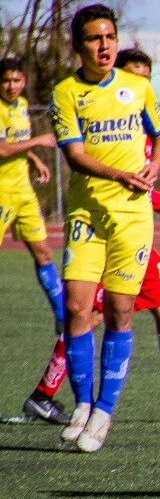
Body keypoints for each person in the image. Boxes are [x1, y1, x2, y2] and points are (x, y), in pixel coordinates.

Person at [24, 48, 160, 427]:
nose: (138, 85)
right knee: (90, 315)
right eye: (133, 76)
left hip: (137, 236)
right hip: (106, 232)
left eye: (145, 78)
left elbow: (144, 179)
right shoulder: (103, 124)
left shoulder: (142, 125)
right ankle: (45, 394)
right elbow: (123, 185)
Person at [50, 5, 160, 453]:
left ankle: (103, 411)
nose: (104, 46)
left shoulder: (138, 87)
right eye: (94, 38)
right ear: (77, 45)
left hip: (132, 217)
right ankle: (82, 403)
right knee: (76, 308)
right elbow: (75, 155)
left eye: (110, 37)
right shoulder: (65, 92)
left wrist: (153, 168)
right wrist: (119, 175)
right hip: (87, 214)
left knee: (121, 311)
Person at [0, 57, 64, 333]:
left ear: (24, 81)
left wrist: (34, 159)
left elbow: (16, 143)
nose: (11, 86)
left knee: (43, 252)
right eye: (6, 81)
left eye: (16, 80)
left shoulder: (22, 105)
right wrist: (39, 141)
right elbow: (2, 149)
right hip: (2, 193)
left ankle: (63, 315)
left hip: (23, 192)